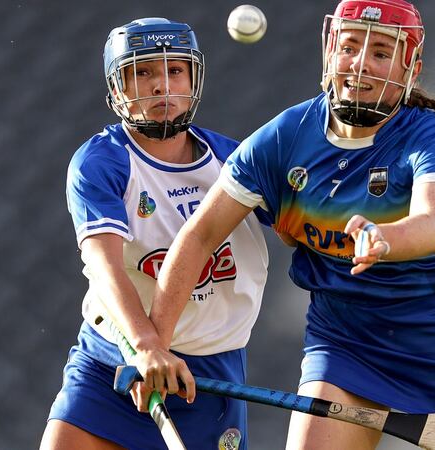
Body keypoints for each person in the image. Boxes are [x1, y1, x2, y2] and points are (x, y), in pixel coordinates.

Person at [146, 2, 435, 449]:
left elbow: (433, 224)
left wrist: (383, 237)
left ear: (409, 68)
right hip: (346, 344)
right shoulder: (284, 137)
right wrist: (155, 346)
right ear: (329, 51)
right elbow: (199, 236)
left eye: (381, 53)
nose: (361, 63)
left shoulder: (429, 135)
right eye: (350, 47)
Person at [39, 17, 269, 450]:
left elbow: (301, 230)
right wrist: (146, 346)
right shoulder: (100, 162)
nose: (161, 85)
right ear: (117, 88)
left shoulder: (235, 160)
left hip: (206, 375)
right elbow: (102, 265)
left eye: (174, 70)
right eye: (142, 72)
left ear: (193, 77)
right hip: (114, 358)